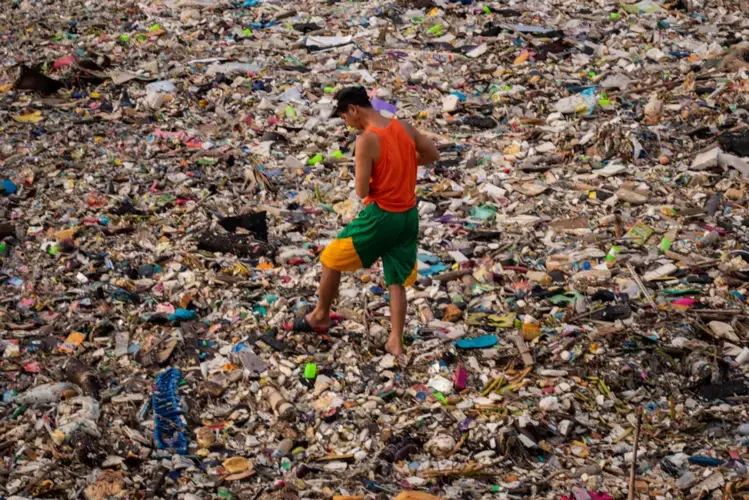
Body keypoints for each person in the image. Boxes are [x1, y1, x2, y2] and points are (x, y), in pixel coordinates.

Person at [292, 86, 440, 359]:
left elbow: (361, 191)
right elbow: (431, 154)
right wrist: (403, 166)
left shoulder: (367, 140)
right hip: (408, 216)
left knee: (331, 256)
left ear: (353, 109)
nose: (346, 124)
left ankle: (320, 315)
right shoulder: (404, 127)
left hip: (381, 216)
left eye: (344, 117)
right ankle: (395, 341)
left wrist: (373, 170)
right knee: (396, 279)